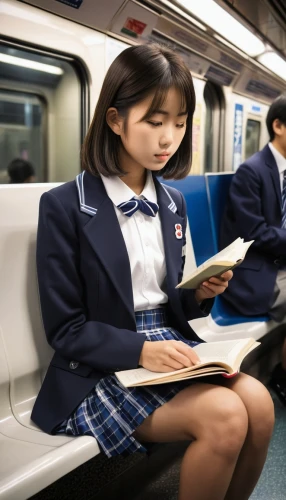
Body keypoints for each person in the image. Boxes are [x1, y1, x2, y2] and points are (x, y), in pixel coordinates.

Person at [32, 44, 274, 500]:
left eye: (180, 124)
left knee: (259, 404)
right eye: (155, 121)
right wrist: (141, 350)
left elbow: (171, 303)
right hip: (101, 366)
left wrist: (200, 293)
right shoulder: (65, 206)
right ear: (115, 120)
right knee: (225, 416)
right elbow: (66, 329)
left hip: (168, 350)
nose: (169, 139)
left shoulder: (172, 202)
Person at [220, 95, 286, 406]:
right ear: (278, 126)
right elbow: (254, 233)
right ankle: (283, 376)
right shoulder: (252, 171)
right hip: (256, 272)